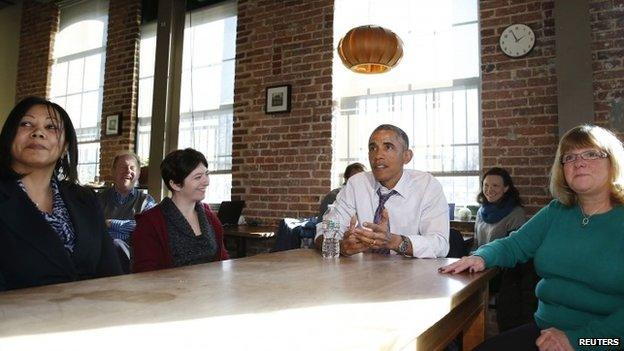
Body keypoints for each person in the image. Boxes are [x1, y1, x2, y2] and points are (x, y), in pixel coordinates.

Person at [440, 124, 624, 351]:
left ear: (613, 162)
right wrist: (481, 257)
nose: (579, 162)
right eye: (569, 157)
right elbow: (515, 244)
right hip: (546, 331)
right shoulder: (557, 211)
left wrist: (576, 341)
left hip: (607, 340)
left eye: (591, 154)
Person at [0, 96, 122, 290]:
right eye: (26, 123)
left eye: (51, 127)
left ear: (65, 146)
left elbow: (111, 273)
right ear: (9, 136)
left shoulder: (85, 199)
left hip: (92, 314)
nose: (38, 132)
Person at [314, 124, 449, 258]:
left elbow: (440, 244)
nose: (378, 155)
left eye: (388, 147)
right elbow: (323, 232)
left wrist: (396, 242)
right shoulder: (356, 184)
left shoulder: (427, 186)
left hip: (410, 273)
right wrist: (341, 246)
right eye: (373, 148)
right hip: (363, 273)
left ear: (407, 156)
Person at [132, 148, 229, 273]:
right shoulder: (149, 223)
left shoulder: (210, 218)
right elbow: (145, 273)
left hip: (211, 289)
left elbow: (223, 260)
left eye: (207, 174)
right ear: (175, 185)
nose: (206, 181)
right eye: (198, 177)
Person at [96, 151, 156, 243]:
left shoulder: (147, 201)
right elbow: (91, 227)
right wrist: (130, 232)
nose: (128, 171)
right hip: (104, 254)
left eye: (132, 168)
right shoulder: (98, 199)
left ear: (138, 174)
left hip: (135, 256)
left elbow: (148, 228)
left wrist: (110, 224)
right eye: (123, 167)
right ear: (113, 171)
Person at [473, 167, 525, 250]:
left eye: (495, 185)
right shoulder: (480, 212)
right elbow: (476, 244)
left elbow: (515, 249)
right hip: (479, 260)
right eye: (486, 185)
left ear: (506, 188)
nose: (489, 190)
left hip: (502, 262)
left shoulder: (516, 213)